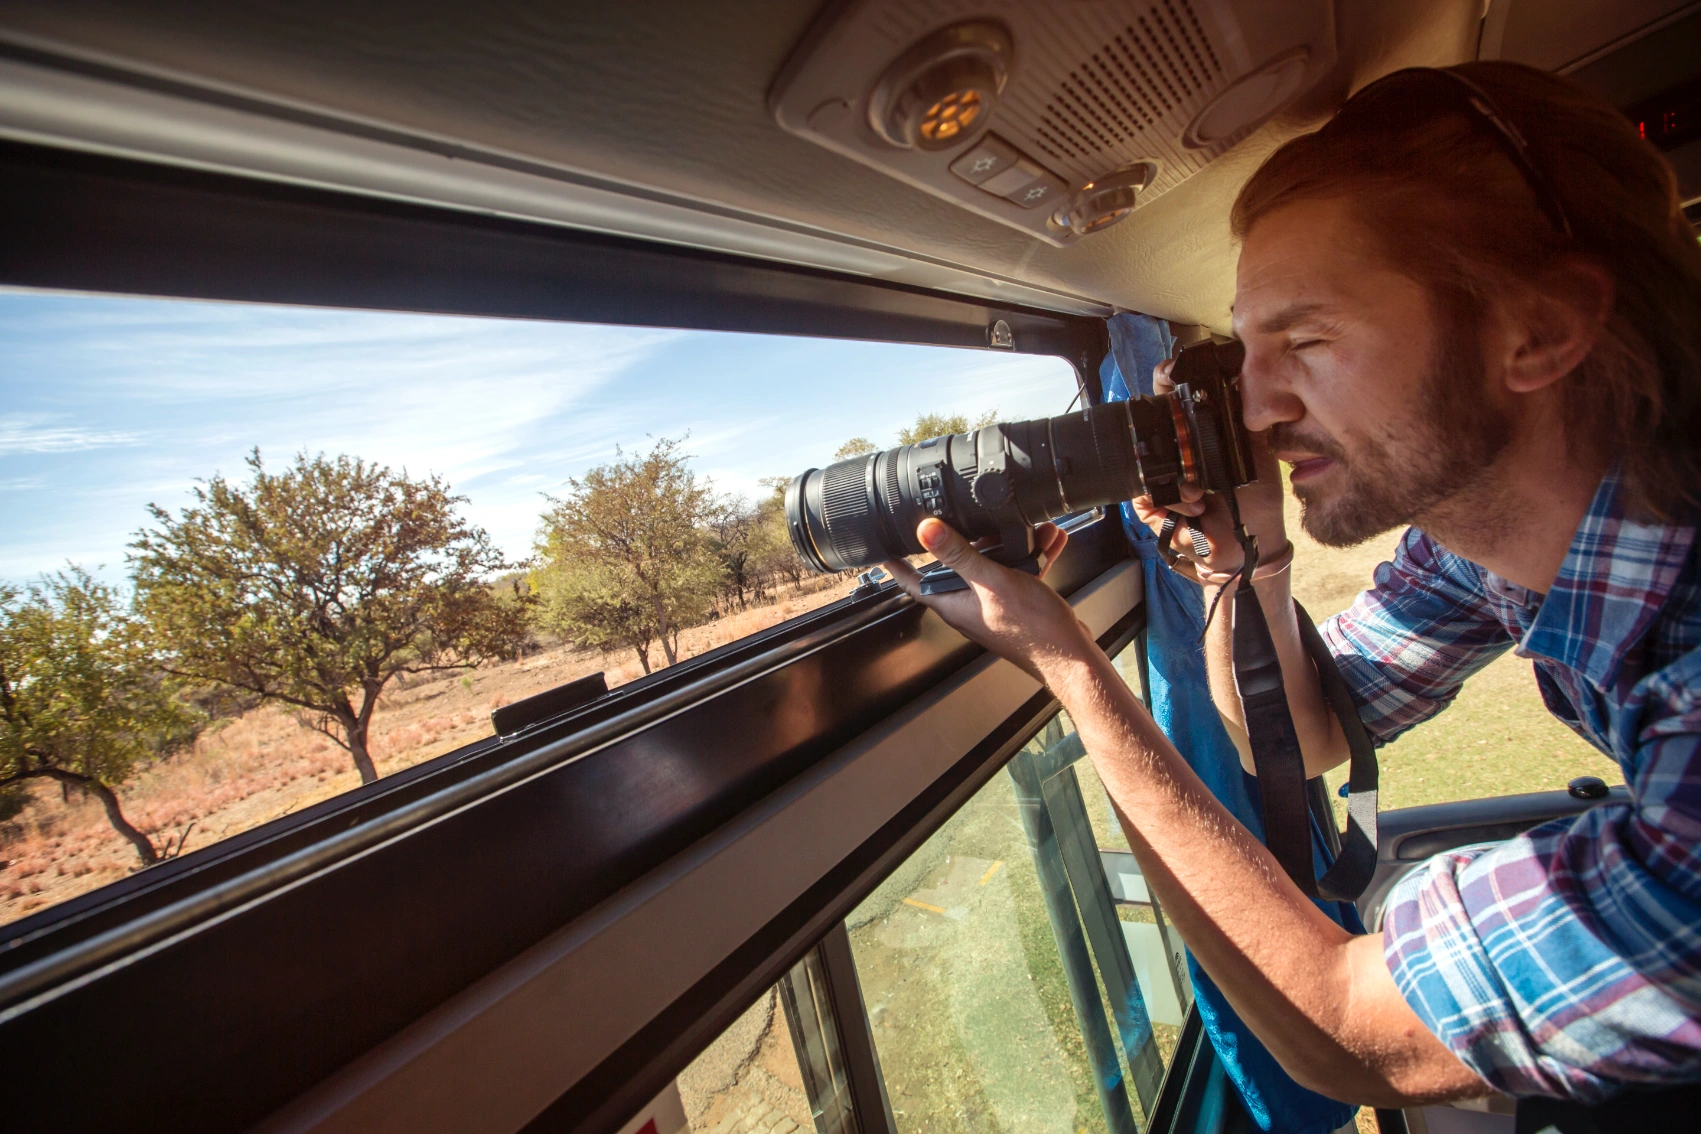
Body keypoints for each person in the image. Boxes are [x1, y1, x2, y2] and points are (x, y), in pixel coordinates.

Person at [882, 61, 1701, 1110]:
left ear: (1535, 332)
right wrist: (1247, 559)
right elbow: (1314, 733)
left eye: (1305, 342)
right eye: (1247, 351)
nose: (1258, 413)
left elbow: (1354, 1030)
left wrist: (1070, 667)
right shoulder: (1483, 544)